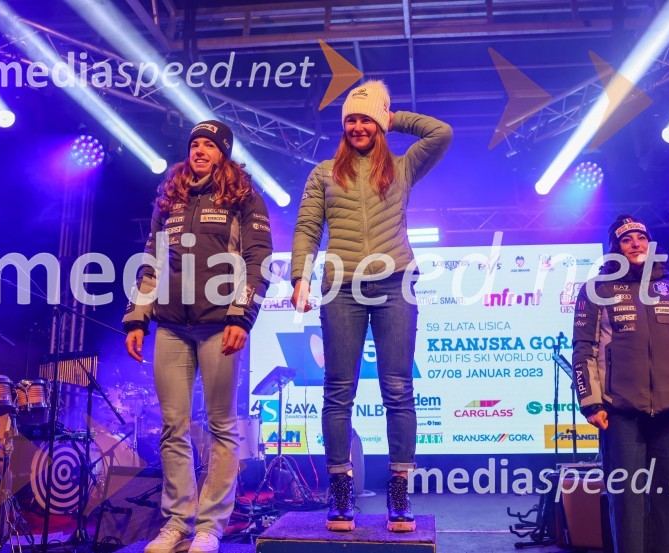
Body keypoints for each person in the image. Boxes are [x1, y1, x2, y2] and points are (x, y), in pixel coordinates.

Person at [290, 80, 452, 532]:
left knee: (398, 390)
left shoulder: (403, 167)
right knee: (338, 391)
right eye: (351, 120)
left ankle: (399, 496)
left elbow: (441, 133)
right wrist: (300, 275)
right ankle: (341, 494)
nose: (358, 126)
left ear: (378, 124)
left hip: (395, 282)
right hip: (340, 287)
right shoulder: (323, 172)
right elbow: (306, 227)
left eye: (366, 119)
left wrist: (391, 114)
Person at [123, 120, 272, 553]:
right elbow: (151, 260)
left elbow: (258, 258)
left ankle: (210, 527)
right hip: (171, 326)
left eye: (209, 145)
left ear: (223, 152)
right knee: (173, 426)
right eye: (195, 144)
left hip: (218, 325)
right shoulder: (170, 199)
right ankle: (176, 524)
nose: (200, 151)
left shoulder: (243, 197)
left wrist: (240, 317)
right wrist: (137, 318)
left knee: (223, 427)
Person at [572, 214, 669, 553]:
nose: (635, 244)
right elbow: (584, 348)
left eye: (640, 237)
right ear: (615, 249)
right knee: (626, 501)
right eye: (626, 239)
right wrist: (591, 402)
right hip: (621, 413)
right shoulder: (596, 290)